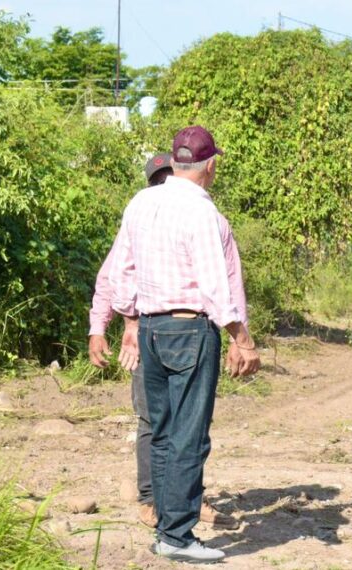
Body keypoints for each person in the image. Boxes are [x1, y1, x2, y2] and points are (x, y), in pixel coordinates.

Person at [109, 126, 260, 563]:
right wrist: (242, 339)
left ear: (175, 162)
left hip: (151, 330)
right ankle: (177, 536)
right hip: (189, 330)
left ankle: (164, 527)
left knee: (161, 433)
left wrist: (130, 319)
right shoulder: (202, 213)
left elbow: (121, 269)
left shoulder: (141, 202)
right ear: (211, 166)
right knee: (189, 437)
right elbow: (215, 285)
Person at [87, 153, 238, 532]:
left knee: (190, 426)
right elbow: (112, 276)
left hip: (181, 329)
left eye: (167, 178)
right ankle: (153, 500)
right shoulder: (140, 219)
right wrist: (104, 327)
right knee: (155, 422)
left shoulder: (206, 219)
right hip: (145, 335)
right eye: (157, 180)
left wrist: (239, 333)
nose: (163, 186)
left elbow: (229, 278)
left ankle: (181, 502)